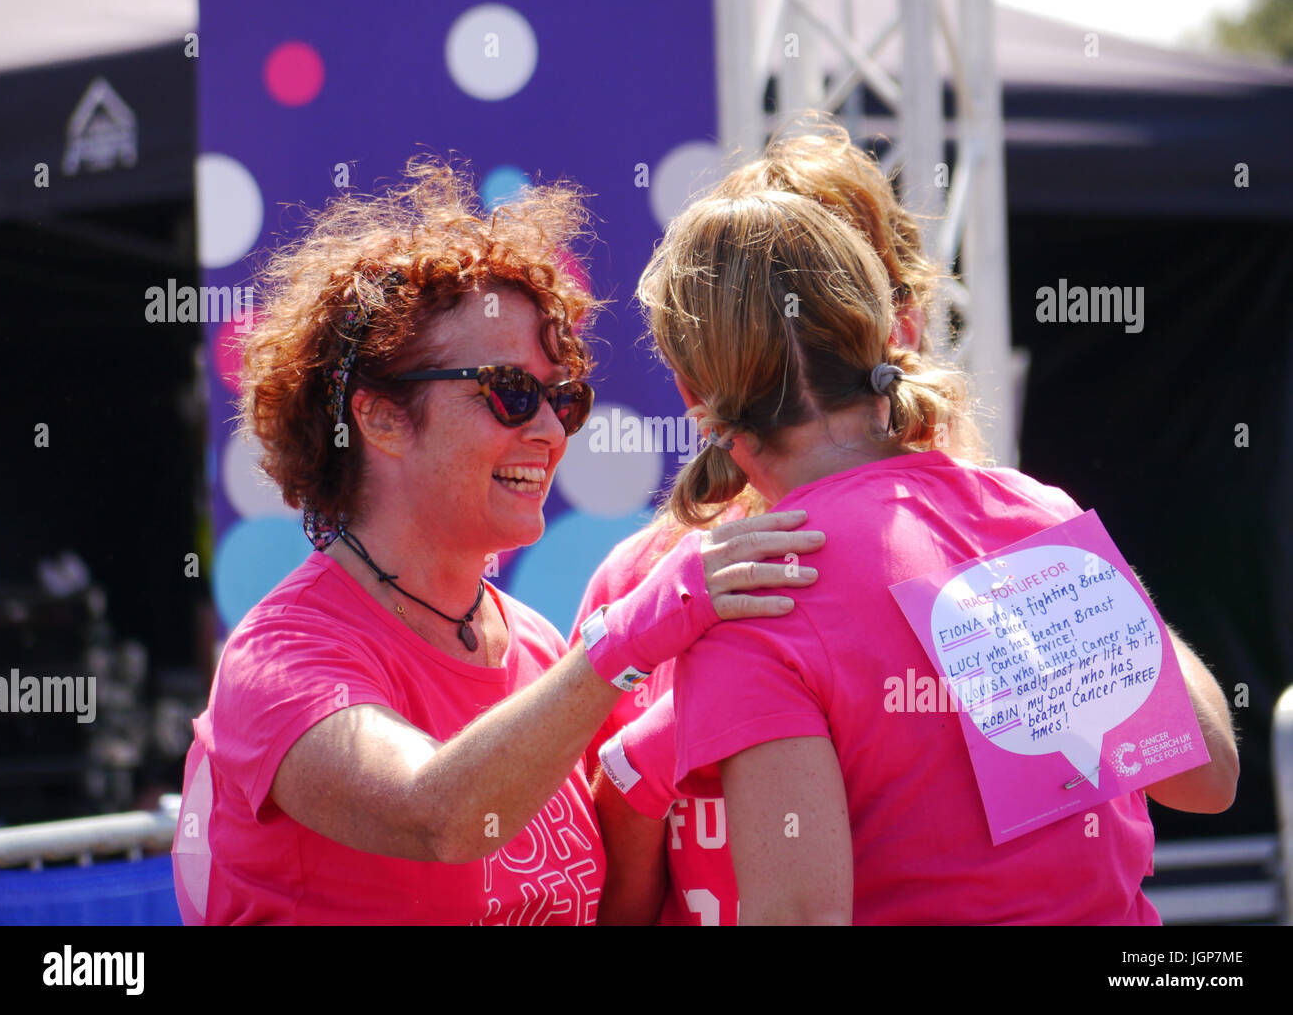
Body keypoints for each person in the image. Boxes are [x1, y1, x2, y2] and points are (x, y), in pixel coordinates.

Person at [170, 157, 823, 925]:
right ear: (378, 417)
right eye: (511, 393)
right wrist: (635, 636)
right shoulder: (280, 657)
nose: (549, 431)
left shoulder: (541, 647)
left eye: (563, 397)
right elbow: (434, 816)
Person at [597, 183, 1240, 925]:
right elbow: (1209, 777)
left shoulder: (751, 597)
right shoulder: (1036, 514)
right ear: (884, 334)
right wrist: (1101, 583)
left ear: (691, 394)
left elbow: (801, 918)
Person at [582, 118, 948, 924]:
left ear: (900, 324)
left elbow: (1144, 773)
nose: (796, 333)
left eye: (836, 290)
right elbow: (609, 893)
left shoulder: (998, 540)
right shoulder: (639, 581)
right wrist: (654, 756)